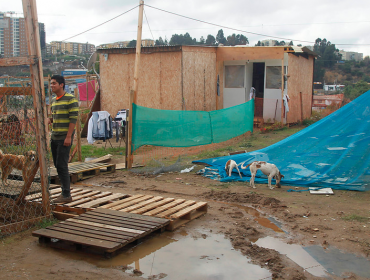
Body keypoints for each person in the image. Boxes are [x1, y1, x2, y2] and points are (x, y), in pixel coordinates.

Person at [49, 75, 79, 203]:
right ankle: (64, 192)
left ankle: (66, 194)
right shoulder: (54, 100)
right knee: (57, 164)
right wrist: (48, 120)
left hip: (63, 138)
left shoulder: (70, 99)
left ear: (61, 85)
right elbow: (54, 118)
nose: (52, 86)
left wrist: (68, 136)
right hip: (54, 136)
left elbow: (73, 119)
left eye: (54, 83)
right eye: (51, 84)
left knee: (62, 165)